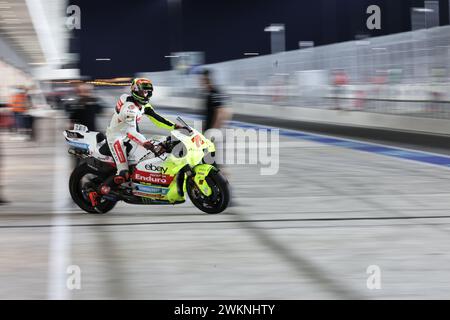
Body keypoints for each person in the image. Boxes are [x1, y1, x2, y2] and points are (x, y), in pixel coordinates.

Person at [88, 78, 186, 207]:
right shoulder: (130, 108)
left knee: (153, 151)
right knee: (123, 173)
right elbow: (131, 132)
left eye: (147, 92)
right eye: (142, 92)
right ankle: (97, 193)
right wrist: (148, 144)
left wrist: (174, 126)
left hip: (128, 135)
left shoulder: (142, 104)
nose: (144, 95)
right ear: (134, 91)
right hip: (117, 138)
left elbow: (157, 118)